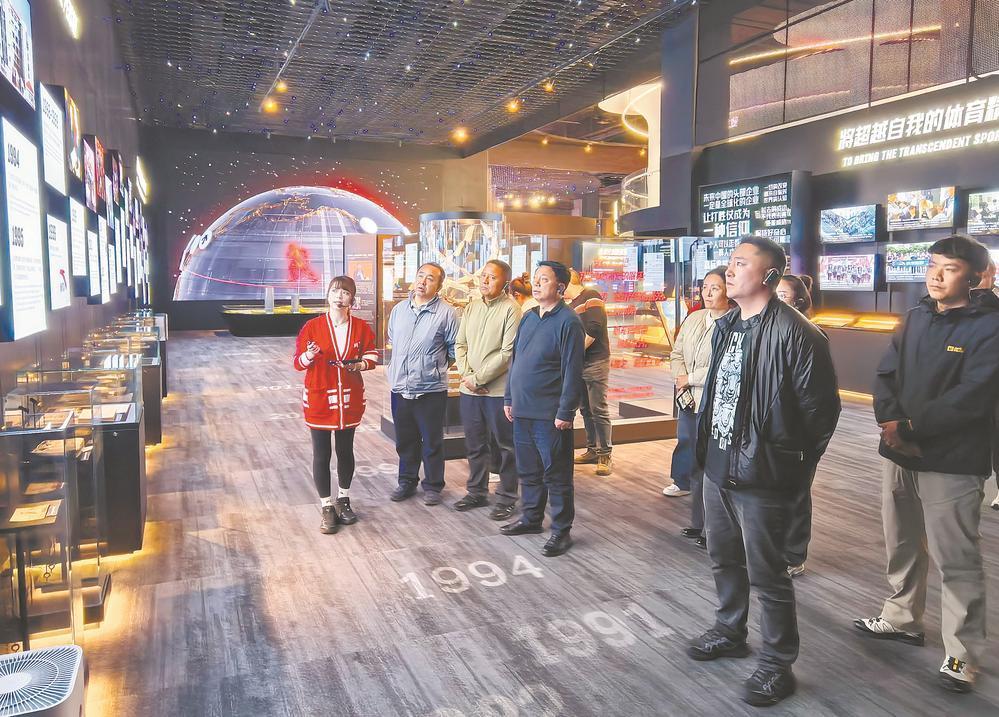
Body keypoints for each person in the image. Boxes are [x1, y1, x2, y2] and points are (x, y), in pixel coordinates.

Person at [687, 236, 840, 708]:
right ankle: (730, 630)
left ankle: (777, 664)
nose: (729, 270)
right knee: (723, 557)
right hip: (718, 465)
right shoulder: (728, 323)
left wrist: (790, 467)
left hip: (764, 474)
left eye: (741, 263)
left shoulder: (798, 333)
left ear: (770, 276)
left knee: (769, 574)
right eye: (730, 262)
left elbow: (821, 414)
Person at [855, 235, 999, 695]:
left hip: (953, 460)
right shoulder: (916, 316)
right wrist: (890, 423)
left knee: (956, 558)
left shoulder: (991, 325)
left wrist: (912, 428)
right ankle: (901, 618)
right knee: (901, 542)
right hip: (898, 452)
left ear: (974, 277)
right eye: (933, 264)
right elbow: (886, 374)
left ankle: (962, 653)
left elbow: (975, 396)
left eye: (949, 268)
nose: (935, 275)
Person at [501, 260, 584, 558]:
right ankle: (531, 518)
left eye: (544, 279)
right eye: (536, 279)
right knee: (529, 471)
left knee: (557, 475)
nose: (536, 284)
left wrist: (566, 411)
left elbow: (573, 371)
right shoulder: (529, 317)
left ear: (560, 287)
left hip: (550, 415)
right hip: (522, 410)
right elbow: (516, 360)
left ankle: (561, 530)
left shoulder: (569, 322)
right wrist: (509, 398)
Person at [293, 276, 379, 533]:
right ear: (328, 295)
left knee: (345, 450)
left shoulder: (361, 327)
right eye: (334, 291)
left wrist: (360, 364)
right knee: (321, 453)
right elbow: (297, 363)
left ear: (352, 298)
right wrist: (310, 354)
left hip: (348, 399)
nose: (339, 296)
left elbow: (372, 354)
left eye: (345, 292)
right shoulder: (312, 327)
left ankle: (343, 499)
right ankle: (326, 505)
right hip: (320, 398)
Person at [665, 267, 732, 551]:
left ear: (728, 291)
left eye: (715, 287)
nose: (707, 292)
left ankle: (714, 528)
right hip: (688, 399)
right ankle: (699, 522)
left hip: (714, 401)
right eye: (705, 287)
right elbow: (676, 353)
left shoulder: (734, 322)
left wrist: (690, 378)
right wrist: (681, 381)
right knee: (694, 461)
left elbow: (724, 364)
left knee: (713, 466)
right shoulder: (694, 318)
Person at [453, 259, 522, 520]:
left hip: (497, 393)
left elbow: (507, 353)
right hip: (469, 390)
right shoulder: (472, 306)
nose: (485, 280)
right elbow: (460, 344)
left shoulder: (511, 309)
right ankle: (476, 492)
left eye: (492, 277)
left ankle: (507, 497)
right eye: (483, 275)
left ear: (504, 282)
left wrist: (479, 379)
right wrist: (467, 376)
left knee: (506, 447)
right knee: (475, 444)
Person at [386, 262, 459, 506]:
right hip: (400, 387)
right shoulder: (399, 310)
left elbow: (454, 349)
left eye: (430, 278)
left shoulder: (447, 313)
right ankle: (406, 481)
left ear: (438, 286)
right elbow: (392, 339)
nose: (423, 281)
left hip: (430, 389)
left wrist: (433, 368)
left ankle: (433, 486)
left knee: (432, 441)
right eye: (420, 276)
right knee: (405, 440)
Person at [775, 273, 818, 579]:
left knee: (795, 494)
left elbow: (817, 400)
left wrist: (809, 441)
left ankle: (793, 554)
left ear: (799, 302)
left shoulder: (809, 335)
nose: (776, 301)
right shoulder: (763, 328)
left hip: (795, 432)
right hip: (768, 430)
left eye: (783, 296)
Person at [564, 268, 614, 476]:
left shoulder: (591, 295)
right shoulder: (571, 304)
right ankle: (593, 449)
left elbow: (594, 329)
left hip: (595, 361)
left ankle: (604, 454)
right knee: (585, 408)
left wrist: (574, 353)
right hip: (580, 363)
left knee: (598, 408)